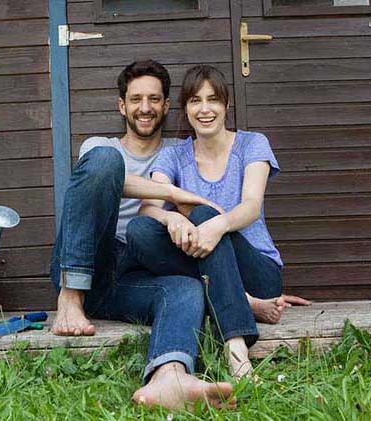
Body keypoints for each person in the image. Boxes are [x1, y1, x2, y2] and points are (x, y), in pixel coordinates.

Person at [49, 60, 234, 410]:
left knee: (184, 288)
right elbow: (109, 179)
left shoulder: (180, 154)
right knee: (106, 163)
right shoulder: (99, 148)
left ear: (166, 106)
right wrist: (174, 194)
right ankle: (70, 299)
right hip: (93, 261)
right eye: (136, 99)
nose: (145, 107)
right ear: (122, 106)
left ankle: (169, 376)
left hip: (139, 272)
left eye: (154, 99)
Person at [126, 65, 311, 378]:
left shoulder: (252, 144)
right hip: (206, 266)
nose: (205, 109)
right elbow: (147, 209)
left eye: (213, 99)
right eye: (195, 101)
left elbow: (251, 206)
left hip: (258, 274)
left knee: (202, 213)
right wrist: (170, 216)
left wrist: (215, 225)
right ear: (185, 109)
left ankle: (236, 348)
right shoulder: (174, 156)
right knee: (139, 230)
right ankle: (244, 303)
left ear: (226, 105)